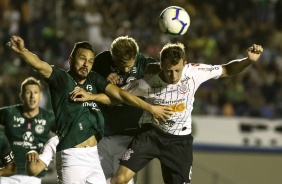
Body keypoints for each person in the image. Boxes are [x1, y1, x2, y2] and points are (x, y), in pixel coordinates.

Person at [7, 35, 171, 184]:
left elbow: (120, 95)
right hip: (73, 155)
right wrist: (23, 51)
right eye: (82, 59)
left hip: (94, 155)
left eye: (90, 61)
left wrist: (150, 107)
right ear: (71, 59)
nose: (86, 64)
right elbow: (40, 65)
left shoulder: (94, 79)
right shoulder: (61, 79)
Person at [109, 42, 263, 184]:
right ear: (161, 65)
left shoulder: (195, 72)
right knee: (119, 180)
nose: (174, 76)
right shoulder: (148, 81)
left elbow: (227, 69)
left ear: (184, 63)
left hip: (179, 143)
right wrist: (96, 92)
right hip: (151, 135)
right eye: (169, 71)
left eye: (177, 70)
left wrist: (248, 60)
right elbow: (117, 95)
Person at [92, 36, 160, 184]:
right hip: (102, 134)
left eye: (129, 65)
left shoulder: (144, 64)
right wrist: (104, 77)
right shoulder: (102, 60)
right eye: (122, 64)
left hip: (129, 136)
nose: (126, 69)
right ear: (113, 56)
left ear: (136, 56)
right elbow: (87, 77)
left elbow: (164, 71)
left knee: (121, 181)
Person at [0, 77, 55, 184]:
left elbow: (68, 132)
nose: (32, 96)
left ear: (40, 96)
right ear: (21, 96)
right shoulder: (9, 113)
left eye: (35, 92)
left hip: (32, 177)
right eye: (28, 92)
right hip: (7, 176)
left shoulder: (49, 118)